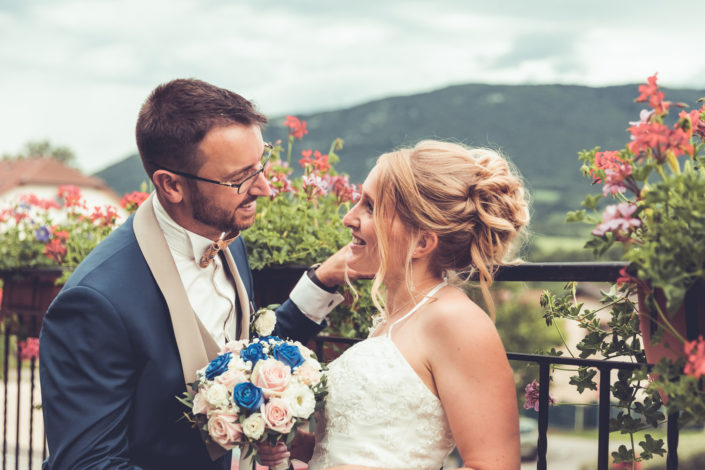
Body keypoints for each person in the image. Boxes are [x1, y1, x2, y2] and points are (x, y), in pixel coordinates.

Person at [39, 78, 362, 470]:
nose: (265, 188)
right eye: (241, 177)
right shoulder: (95, 302)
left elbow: (242, 358)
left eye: (262, 164)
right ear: (171, 185)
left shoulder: (228, 236)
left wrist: (325, 279)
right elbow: (87, 463)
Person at [261, 140, 529, 470]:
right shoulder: (394, 319)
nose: (348, 218)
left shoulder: (456, 320)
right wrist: (296, 443)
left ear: (422, 242)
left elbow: (493, 465)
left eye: (370, 207)